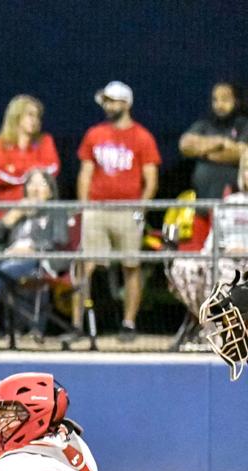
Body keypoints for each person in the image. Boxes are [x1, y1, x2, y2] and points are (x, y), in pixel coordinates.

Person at [76, 81, 161, 342]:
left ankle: (129, 323)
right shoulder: (94, 134)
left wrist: (140, 209)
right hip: (97, 208)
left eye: (113, 101)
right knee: (86, 265)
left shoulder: (142, 137)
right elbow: (85, 173)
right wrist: (84, 207)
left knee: (131, 266)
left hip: (127, 210)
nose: (109, 106)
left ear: (126, 103)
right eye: (107, 101)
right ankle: (80, 325)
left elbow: (151, 178)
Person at [0, 169, 72, 346]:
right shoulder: (19, 213)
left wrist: (34, 248)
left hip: (37, 261)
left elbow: (60, 240)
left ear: (51, 191)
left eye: (41, 183)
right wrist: (12, 216)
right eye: (31, 183)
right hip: (8, 257)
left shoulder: (56, 211)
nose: (36, 188)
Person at [169, 151, 248, 321]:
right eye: (246, 169)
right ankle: (211, 324)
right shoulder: (230, 203)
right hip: (227, 261)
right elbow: (212, 245)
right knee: (185, 266)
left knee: (229, 275)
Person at [0, 95, 61, 211]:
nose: (35, 120)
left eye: (37, 116)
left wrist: (16, 171)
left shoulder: (45, 141)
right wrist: (31, 176)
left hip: (40, 209)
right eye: (30, 115)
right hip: (9, 210)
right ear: (16, 116)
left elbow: (53, 168)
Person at [179, 82, 248, 200]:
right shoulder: (204, 124)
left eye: (225, 99)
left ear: (236, 101)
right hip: (201, 204)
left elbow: (241, 153)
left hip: (232, 204)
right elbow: (185, 145)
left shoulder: (243, 125)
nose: (219, 104)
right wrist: (221, 143)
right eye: (215, 100)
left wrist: (202, 152)